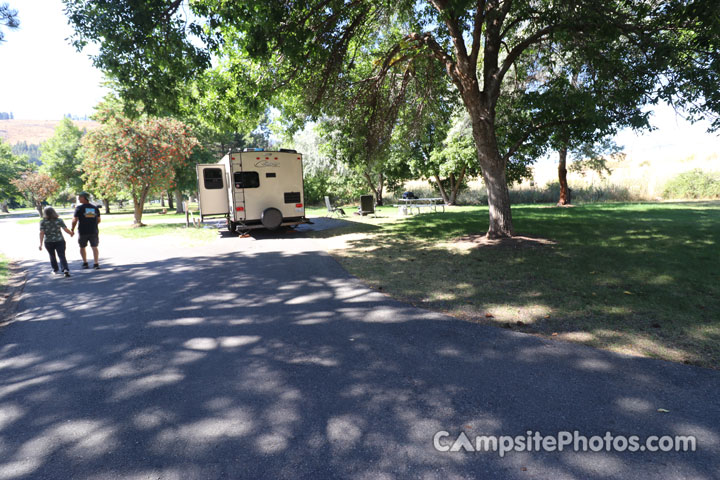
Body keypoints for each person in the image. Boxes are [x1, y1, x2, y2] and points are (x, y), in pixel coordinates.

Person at [39, 206, 73, 277]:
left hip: (48, 241)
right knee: (62, 255)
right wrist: (71, 233)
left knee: (52, 255)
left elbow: (41, 233)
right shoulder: (59, 220)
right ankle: (65, 269)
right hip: (59, 240)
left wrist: (40, 244)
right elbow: (65, 229)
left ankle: (55, 269)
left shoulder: (43, 222)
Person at [71, 192, 102, 269]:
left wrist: (72, 229)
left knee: (82, 246)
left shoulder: (79, 208)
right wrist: (93, 225)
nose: (78, 199)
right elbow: (98, 220)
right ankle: (96, 263)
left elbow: (74, 220)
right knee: (94, 246)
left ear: (84, 198)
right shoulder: (94, 208)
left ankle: (85, 262)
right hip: (93, 231)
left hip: (83, 231)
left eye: (80, 197)